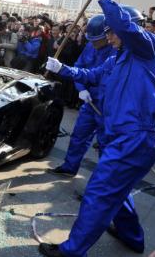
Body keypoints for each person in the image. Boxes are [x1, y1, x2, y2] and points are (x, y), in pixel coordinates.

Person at [40, 0, 155, 257]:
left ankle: (73, 251)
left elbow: (125, 27)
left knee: (100, 192)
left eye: (111, 32)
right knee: (117, 191)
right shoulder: (117, 59)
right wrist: (62, 69)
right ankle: (131, 236)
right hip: (125, 136)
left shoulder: (150, 48)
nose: (108, 39)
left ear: (130, 27)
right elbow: (90, 75)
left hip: (136, 136)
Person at [47, 14, 114, 177]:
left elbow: (99, 76)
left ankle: (102, 180)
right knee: (79, 135)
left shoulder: (116, 51)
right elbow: (79, 67)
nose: (94, 43)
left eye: (97, 40)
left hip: (107, 106)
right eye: (91, 39)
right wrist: (81, 88)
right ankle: (70, 167)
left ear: (107, 35)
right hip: (89, 101)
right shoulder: (90, 46)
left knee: (106, 144)